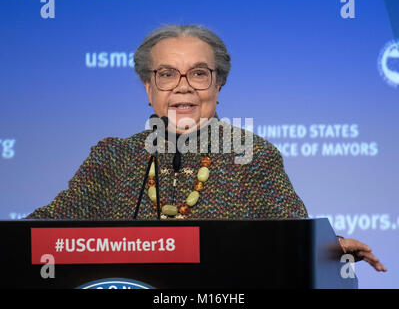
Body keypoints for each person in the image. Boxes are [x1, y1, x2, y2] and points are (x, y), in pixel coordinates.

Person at [26, 24, 386, 273]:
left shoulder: (250, 154)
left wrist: (330, 246)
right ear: (148, 89)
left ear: (218, 84)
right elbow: (42, 230)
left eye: (199, 73)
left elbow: (289, 234)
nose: (183, 88)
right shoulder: (113, 157)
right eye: (166, 74)